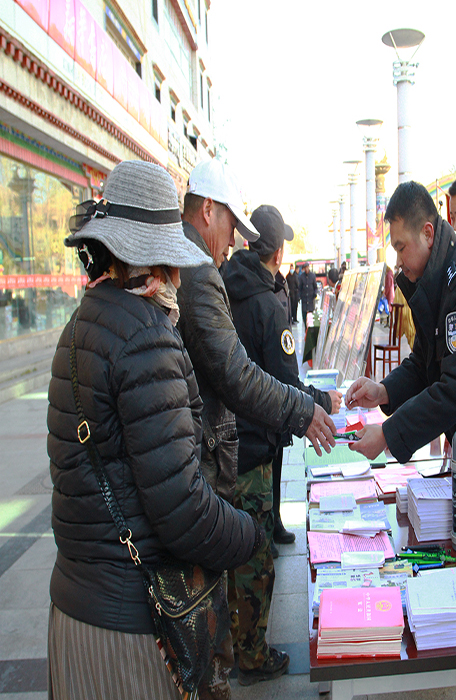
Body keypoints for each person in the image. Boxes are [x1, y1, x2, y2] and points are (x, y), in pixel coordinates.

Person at [46, 161, 263, 700]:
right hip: (131, 631)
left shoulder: (82, 324)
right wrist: (247, 534)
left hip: (73, 612)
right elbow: (181, 509)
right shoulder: (145, 338)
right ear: (159, 256)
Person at [177, 160, 336, 698]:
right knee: (246, 558)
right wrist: (305, 411)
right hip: (218, 453)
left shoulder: (213, 275)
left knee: (230, 565)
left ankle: (228, 656)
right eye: (228, 228)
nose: (229, 244)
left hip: (217, 450)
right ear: (207, 212)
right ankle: (238, 658)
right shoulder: (199, 275)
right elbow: (241, 375)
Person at [220, 205, 342, 683]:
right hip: (253, 447)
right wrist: (322, 401)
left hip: (226, 442)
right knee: (256, 557)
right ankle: (250, 653)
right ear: (278, 250)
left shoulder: (224, 287)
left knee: (232, 548)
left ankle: (231, 638)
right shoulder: (267, 304)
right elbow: (284, 383)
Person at [346, 180, 456, 488]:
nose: (399, 261)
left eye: (401, 247)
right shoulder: (436, 276)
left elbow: (453, 389)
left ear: (428, 233)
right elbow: (423, 361)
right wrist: (383, 391)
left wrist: (389, 434)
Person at [298, 262, 317, 326]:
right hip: (304, 300)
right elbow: (299, 288)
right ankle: (306, 329)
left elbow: (315, 287)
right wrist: (299, 296)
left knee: (311, 317)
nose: (306, 269)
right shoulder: (301, 277)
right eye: (305, 268)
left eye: (307, 267)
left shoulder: (312, 276)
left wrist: (315, 294)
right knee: (304, 316)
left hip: (311, 299)